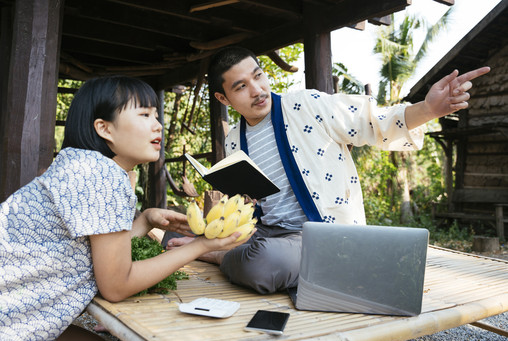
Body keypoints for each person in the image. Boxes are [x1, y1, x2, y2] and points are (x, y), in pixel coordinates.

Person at [166, 46, 490, 295]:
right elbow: (251, 202)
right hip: (266, 234)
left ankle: (220, 257)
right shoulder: (234, 139)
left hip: (320, 235)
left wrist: (429, 108)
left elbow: (373, 122)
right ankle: (226, 251)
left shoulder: (308, 105)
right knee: (179, 237)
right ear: (223, 97)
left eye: (259, 75)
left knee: (262, 265)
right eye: (241, 86)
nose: (257, 89)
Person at [0, 76, 251, 341]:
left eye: (155, 115)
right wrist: (200, 246)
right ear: (104, 128)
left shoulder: (80, 163)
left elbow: (98, 252)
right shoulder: (101, 176)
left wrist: (146, 220)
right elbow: (116, 285)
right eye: (143, 115)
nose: (157, 125)